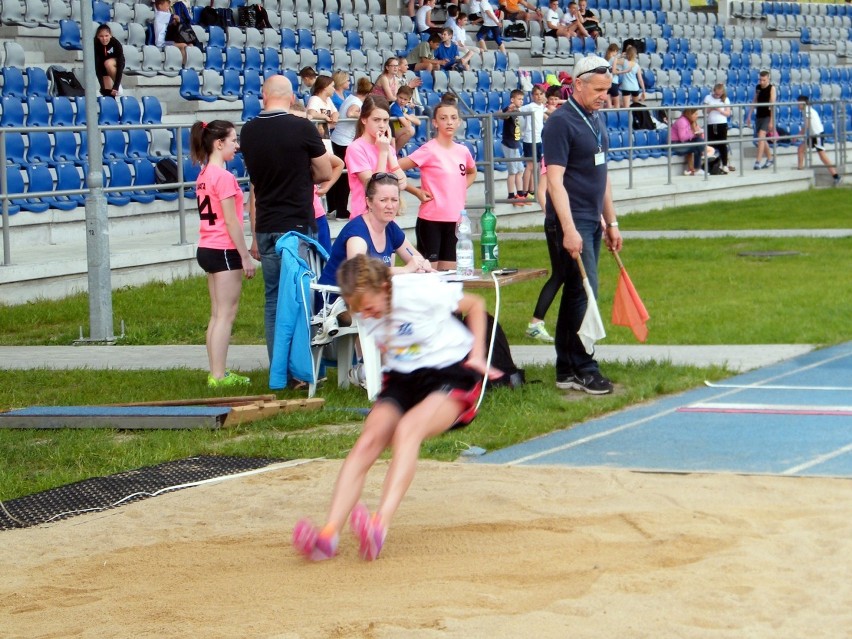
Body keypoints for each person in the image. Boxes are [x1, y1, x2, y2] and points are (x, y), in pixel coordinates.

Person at [292, 254, 497, 562]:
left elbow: (476, 305)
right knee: (368, 440)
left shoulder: (418, 290)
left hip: (451, 370)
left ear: (386, 288)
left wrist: (478, 354)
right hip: (404, 378)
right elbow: (389, 340)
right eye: (360, 310)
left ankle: (379, 525)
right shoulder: (366, 308)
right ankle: (329, 534)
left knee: (407, 431)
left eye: (370, 307)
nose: (366, 314)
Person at [542, 54, 623, 395]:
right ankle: (584, 366)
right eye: (599, 89)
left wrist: (612, 221)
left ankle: (567, 368)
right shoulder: (561, 122)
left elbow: (601, 176)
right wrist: (570, 228)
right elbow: (554, 182)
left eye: (607, 89)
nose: (604, 95)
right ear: (578, 84)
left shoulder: (595, 120)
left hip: (591, 220)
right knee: (586, 295)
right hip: (570, 222)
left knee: (577, 293)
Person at [240, 75, 332, 364]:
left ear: (263, 96)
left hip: (266, 223)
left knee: (274, 299)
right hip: (297, 226)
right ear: (292, 98)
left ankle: (277, 365)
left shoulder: (249, 131)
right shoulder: (302, 127)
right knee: (301, 298)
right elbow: (325, 173)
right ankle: (301, 367)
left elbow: (255, 178)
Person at [190, 119, 256, 388]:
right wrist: (245, 256)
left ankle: (216, 372)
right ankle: (218, 375)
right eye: (232, 141)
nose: (237, 146)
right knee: (225, 315)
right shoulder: (224, 177)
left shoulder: (204, 174)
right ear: (219, 144)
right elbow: (231, 221)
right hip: (223, 248)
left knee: (217, 314)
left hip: (207, 245)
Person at [398, 100, 477, 270]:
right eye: (443, 118)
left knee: (451, 276)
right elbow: (394, 168)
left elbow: (472, 172)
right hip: (431, 220)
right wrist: (415, 191)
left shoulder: (463, 151)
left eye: (453, 118)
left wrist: (458, 188)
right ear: (435, 122)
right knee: (429, 275)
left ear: (459, 122)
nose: (449, 122)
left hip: (455, 221)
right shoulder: (429, 149)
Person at [318, 173, 431, 288]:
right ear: (369, 202)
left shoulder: (390, 227)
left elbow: (415, 258)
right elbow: (359, 275)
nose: (390, 206)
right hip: (337, 299)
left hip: (371, 295)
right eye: (383, 200)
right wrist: (405, 269)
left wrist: (423, 265)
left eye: (394, 200)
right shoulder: (357, 235)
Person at [345, 95, 408, 220]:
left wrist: (388, 151)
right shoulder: (356, 148)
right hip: (364, 217)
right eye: (376, 120)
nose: (382, 125)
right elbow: (373, 188)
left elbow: (402, 183)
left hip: (386, 217)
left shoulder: (386, 147)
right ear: (364, 119)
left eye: (385, 120)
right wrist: (383, 153)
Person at [328, 76, 373, 220]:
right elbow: (350, 113)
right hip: (343, 142)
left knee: (337, 175)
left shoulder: (351, 97)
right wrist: (363, 115)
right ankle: (340, 210)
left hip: (338, 139)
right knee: (344, 178)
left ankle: (333, 208)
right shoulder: (357, 102)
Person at [527, 159, 558, 342]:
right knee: (561, 274)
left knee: (564, 275)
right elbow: (541, 192)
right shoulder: (553, 154)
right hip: (556, 223)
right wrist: (553, 219)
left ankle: (536, 323)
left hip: (565, 221)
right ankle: (535, 323)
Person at [796, 95, 841, 186]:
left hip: (817, 135)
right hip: (814, 135)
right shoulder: (807, 110)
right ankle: (800, 169)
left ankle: (836, 176)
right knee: (800, 149)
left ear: (803, 103)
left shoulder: (808, 111)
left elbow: (807, 125)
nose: (797, 106)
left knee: (822, 156)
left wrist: (798, 134)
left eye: (798, 104)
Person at [519, 84, 547, 202]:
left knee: (536, 166)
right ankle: (524, 192)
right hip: (530, 139)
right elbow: (518, 110)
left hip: (538, 139)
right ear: (532, 96)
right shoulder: (530, 106)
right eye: (536, 94)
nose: (539, 96)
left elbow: (548, 113)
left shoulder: (541, 107)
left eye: (541, 94)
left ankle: (531, 191)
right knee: (530, 166)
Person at [744, 70, 776, 170]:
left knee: (761, 137)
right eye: (760, 80)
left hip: (767, 115)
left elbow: (772, 105)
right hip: (759, 115)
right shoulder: (758, 87)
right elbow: (755, 100)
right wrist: (749, 115)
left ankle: (758, 161)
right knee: (762, 138)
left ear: (768, 79)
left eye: (764, 80)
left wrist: (771, 121)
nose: (761, 82)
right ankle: (770, 158)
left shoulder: (772, 88)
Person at [501, 89, 527, 206]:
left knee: (520, 170)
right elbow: (502, 116)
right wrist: (508, 110)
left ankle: (520, 195)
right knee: (512, 172)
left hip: (516, 144)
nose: (521, 101)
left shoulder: (518, 111)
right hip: (509, 144)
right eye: (519, 99)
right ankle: (511, 195)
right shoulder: (510, 109)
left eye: (522, 99)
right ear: (512, 100)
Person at [703, 83, 733, 173]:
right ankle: (711, 164)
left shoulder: (725, 99)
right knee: (710, 144)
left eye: (719, 94)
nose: (717, 96)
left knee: (722, 144)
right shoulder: (708, 98)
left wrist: (720, 110)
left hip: (721, 123)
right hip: (711, 124)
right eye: (716, 94)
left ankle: (724, 164)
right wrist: (711, 108)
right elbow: (704, 111)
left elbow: (728, 113)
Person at [154, 0, 191, 64]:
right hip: (161, 43)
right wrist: (177, 20)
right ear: (160, 6)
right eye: (166, 6)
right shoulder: (160, 14)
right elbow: (176, 17)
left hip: (166, 41)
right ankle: (182, 65)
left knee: (189, 44)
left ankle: (187, 64)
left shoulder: (163, 15)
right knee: (183, 45)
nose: (168, 7)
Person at [93, 23, 124, 98]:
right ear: (97, 37)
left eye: (106, 36)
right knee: (107, 92)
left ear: (110, 35)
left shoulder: (116, 43)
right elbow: (97, 66)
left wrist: (116, 85)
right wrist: (102, 86)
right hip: (102, 66)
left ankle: (118, 86)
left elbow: (120, 65)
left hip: (116, 63)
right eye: (101, 36)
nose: (104, 39)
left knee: (108, 63)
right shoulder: (95, 44)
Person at [389, 86, 421, 153]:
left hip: (398, 132)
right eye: (400, 97)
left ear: (409, 100)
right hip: (390, 134)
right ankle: (395, 153)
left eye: (405, 99)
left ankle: (395, 153)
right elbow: (407, 125)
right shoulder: (395, 107)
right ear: (396, 95)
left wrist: (406, 115)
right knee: (410, 130)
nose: (402, 101)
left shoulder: (406, 107)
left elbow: (418, 122)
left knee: (411, 130)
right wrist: (409, 119)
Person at [603, 43, 622, 109]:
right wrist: (621, 72)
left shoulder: (605, 59)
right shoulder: (614, 59)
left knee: (609, 104)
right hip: (613, 82)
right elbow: (614, 71)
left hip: (606, 82)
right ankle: (617, 117)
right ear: (614, 51)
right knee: (617, 103)